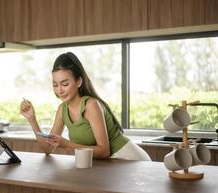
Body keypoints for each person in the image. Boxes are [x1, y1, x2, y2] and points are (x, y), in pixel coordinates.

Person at [20, 52, 151, 161]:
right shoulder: (62, 110)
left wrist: (67, 145)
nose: (59, 90)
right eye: (55, 85)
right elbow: (48, 149)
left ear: (78, 81)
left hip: (131, 159)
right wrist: (32, 119)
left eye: (65, 84)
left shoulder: (91, 105)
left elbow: (104, 151)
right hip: (111, 164)